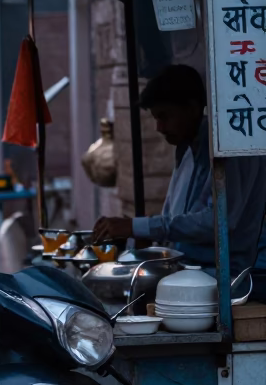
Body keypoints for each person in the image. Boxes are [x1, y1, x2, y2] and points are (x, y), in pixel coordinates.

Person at [92, 65, 266, 277]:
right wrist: (143, 235)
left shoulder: (231, 148)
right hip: (187, 271)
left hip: (226, 278)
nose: (159, 127)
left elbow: (218, 221)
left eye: (164, 117)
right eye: (156, 118)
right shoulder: (187, 150)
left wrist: (138, 226)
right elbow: (176, 219)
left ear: (192, 108)